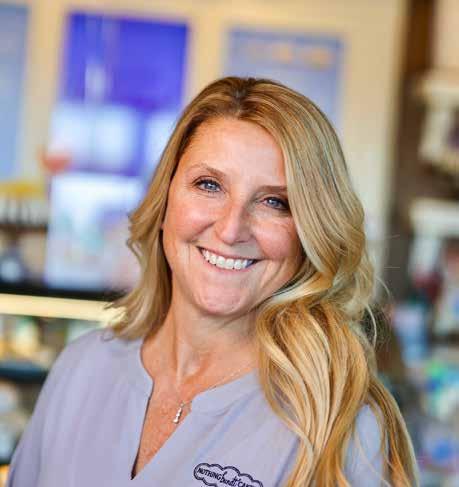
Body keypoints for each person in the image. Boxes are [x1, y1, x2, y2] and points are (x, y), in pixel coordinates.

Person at [7, 77, 418, 486]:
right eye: (209, 185)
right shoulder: (81, 369)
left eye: (274, 202)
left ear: (310, 233)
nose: (231, 229)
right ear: (165, 200)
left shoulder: (346, 428)